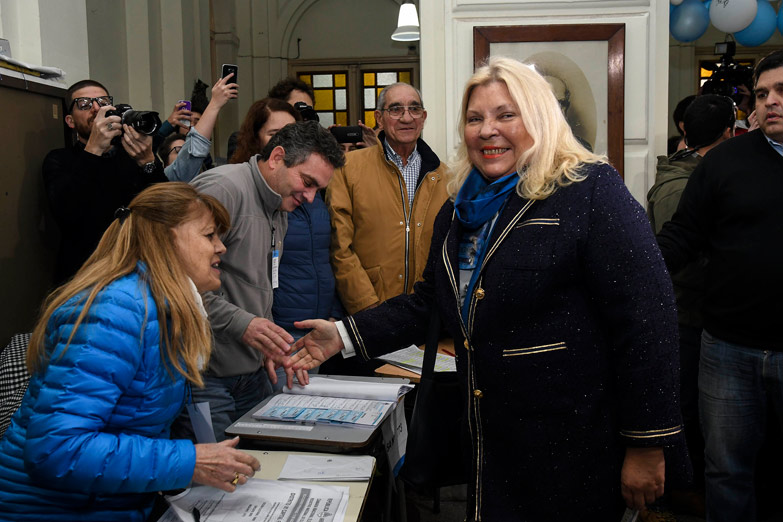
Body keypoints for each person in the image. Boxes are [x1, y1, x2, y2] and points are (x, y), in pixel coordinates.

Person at [287, 57, 685, 520]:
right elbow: (429, 301)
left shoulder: (589, 189)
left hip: (574, 445)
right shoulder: (460, 206)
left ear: (538, 117)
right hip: (490, 441)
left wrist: (647, 443)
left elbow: (646, 320)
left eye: (505, 115)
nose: (486, 130)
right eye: (474, 118)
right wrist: (342, 335)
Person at [0, 183, 260, 521]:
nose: (221, 248)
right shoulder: (116, 312)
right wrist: (188, 462)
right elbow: (55, 450)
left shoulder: (162, 308)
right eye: (210, 235)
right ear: (168, 240)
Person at [657, 49, 783, 522]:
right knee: (726, 472)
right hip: (728, 349)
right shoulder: (725, 162)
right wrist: (634, 273)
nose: (771, 101)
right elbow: (682, 235)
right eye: (764, 92)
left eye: (782, 91)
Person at [183, 121, 345, 441]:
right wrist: (246, 324)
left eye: (318, 189)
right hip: (206, 377)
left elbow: (257, 287)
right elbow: (176, 283)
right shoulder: (223, 189)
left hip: (251, 372)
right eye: (307, 182)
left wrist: (268, 345)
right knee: (217, 481)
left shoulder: (278, 204)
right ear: (277, 158)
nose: (311, 198)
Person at [646, 94, 735, 516]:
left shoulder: (701, 174)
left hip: (698, 315)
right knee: (684, 407)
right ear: (727, 135)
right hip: (684, 314)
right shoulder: (680, 186)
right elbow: (674, 262)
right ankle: (680, 490)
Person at [327, 82, 450, 315]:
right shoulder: (348, 169)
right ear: (379, 118)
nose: (406, 118)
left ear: (423, 118)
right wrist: (367, 305)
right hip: (368, 310)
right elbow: (339, 246)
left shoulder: (447, 177)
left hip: (425, 313)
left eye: (414, 109)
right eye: (395, 109)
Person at [43, 79, 167, 285]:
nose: (96, 108)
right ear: (70, 121)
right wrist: (93, 149)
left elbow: (166, 207)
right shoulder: (59, 160)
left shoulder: (131, 153)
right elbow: (66, 213)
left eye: (102, 101)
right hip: (84, 274)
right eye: (84, 104)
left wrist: (148, 162)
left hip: (138, 270)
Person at [159, 73, 238, 182]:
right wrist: (168, 124)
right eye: (179, 151)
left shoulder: (213, 171)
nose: (192, 126)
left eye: (198, 122)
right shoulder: (164, 176)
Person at [229, 97, 301, 164]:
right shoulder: (239, 174)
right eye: (274, 134)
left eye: (291, 132)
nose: (285, 140)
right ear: (255, 137)